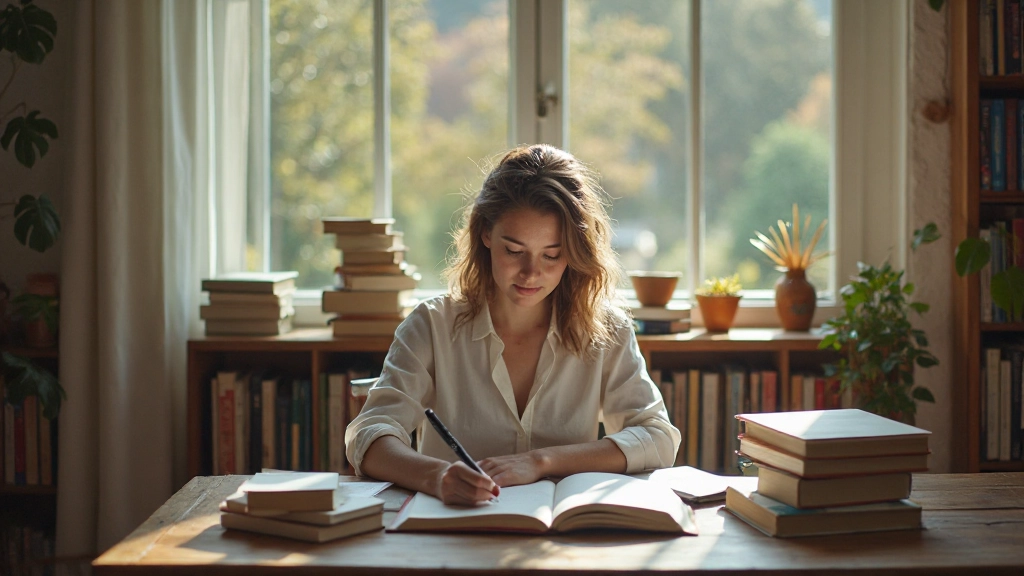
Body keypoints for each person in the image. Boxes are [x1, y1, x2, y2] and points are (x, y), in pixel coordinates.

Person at [345, 144, 680, 505]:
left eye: (552, 255)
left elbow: (657, 437)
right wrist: (437, 476)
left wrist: (542, 461)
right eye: (514, 251)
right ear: (486, 234)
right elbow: (368, 435)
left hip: (562, 542)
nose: (531, 272)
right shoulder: (432, 325)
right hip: (452, 534)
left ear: (574, 250)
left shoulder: (606, 330)